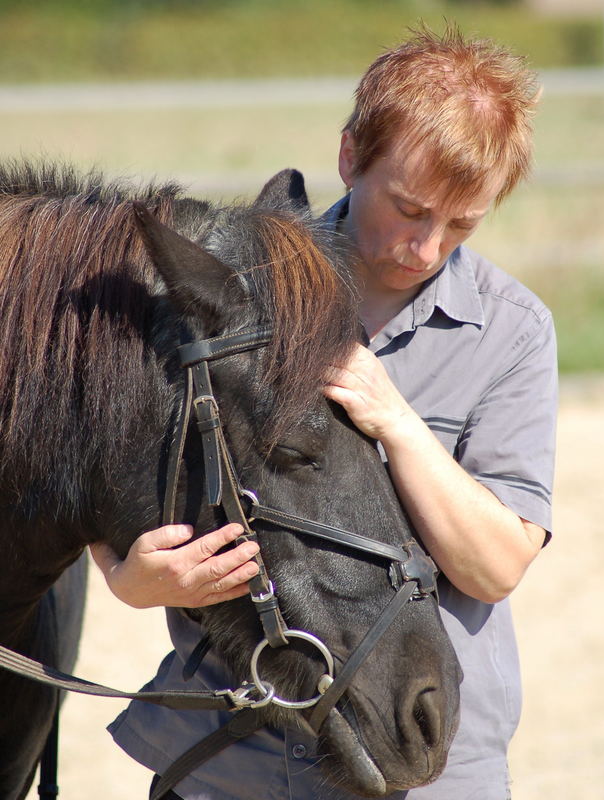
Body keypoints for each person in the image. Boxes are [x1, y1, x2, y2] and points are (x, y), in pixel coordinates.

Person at [91, 25, 557, 800]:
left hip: (413, 762)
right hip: (225, 755)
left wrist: (394, 421)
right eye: (409, 209)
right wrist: (128, 579)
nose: (425, 247)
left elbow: (494, 565)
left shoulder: (511, 331)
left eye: (462, 224)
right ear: (349, 156)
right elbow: (103, 462)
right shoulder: (234, 290)